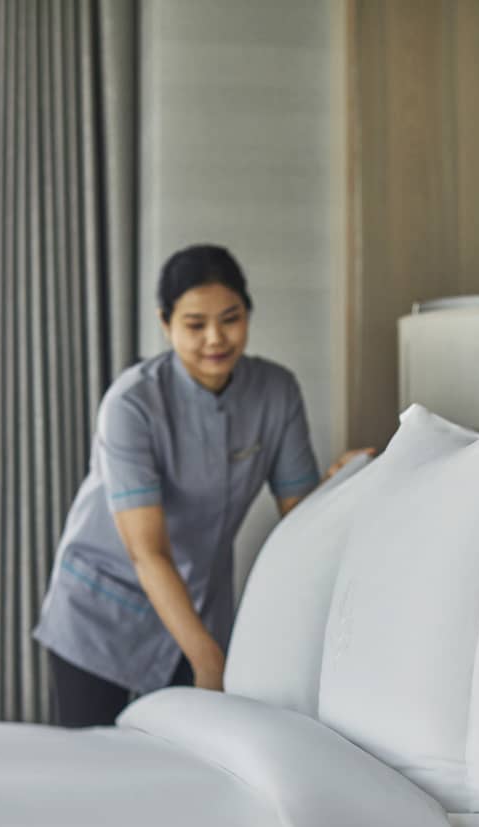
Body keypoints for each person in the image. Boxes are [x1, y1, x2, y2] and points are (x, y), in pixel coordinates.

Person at [32, 244, 370, 727]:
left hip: (199, 608)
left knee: (180, 772)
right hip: (102, 614)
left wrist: (341, 486)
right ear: (165, 324)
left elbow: (300, 518)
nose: (215, 338)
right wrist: (209, 660)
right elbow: (147, 552)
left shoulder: (275, 393)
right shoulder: (131, 405)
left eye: (230, 319)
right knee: (91, 771)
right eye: (194, 325)